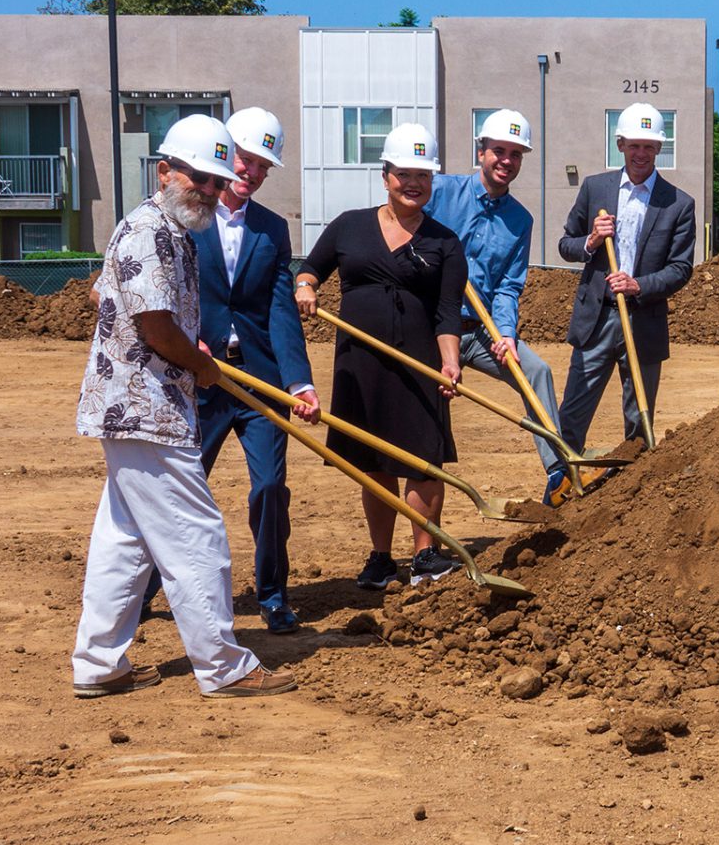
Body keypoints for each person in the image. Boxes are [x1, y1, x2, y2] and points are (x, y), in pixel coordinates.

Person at [72, 114, 296, 699]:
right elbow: (154, 324)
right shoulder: (151, 231)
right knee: (196, 534)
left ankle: (98, 662)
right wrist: (199, 365)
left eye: (217, 182)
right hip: (146, 407)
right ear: (165, 171)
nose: (209, 190)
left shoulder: (169, 231)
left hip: (139, 408)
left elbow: (124, 301)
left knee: (125, 539)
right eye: (199, 177)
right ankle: (223, 665)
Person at [140, 107, 316, 635]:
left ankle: (274, 595)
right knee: (182, 486)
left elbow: (280, 309)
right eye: (246, 159)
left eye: (264, 165)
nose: (253, 172)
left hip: (258, 379)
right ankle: (143, 590)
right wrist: (184, 340)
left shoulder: (272, 229)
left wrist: (299, 382)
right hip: (197, 378)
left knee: (271, 488)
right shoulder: (183, 216)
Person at [294, 123, 467, 590]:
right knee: (373, 461)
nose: (414, 183)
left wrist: (450, 363)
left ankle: (426, 555)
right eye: (404, 174)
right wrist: (306, 286)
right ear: (385, 175)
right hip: (361, 364)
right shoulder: (349, 225)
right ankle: (381, 557)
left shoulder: (445, 243)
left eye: (423, 175)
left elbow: (448, 313)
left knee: (422, 459)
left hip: (419, 365)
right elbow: (311, 268)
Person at [423, 109, 567, 502]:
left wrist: (505, 334)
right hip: (431, 327)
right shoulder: (440, 192)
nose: (506, 160)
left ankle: (559, 472)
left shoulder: (520, 220)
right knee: (428, 406)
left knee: (536, 371)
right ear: (481, 152)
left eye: (515, 154)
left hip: (480, 330)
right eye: (499, 151)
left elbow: (508, 286)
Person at [555, 102, 696, 450]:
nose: (641, 153)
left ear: (659, 148)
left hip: (643, 320)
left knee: (639, 422)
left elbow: (681, 268)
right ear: (620, 144)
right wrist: (591, 241)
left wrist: (638, 285)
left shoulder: (678, 203)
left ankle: (632, 484)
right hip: (597, 319)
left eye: (649, 146)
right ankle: (562, 479)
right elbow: (566, 244)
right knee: (572, 415)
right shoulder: (595, 189)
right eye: (634, 145)